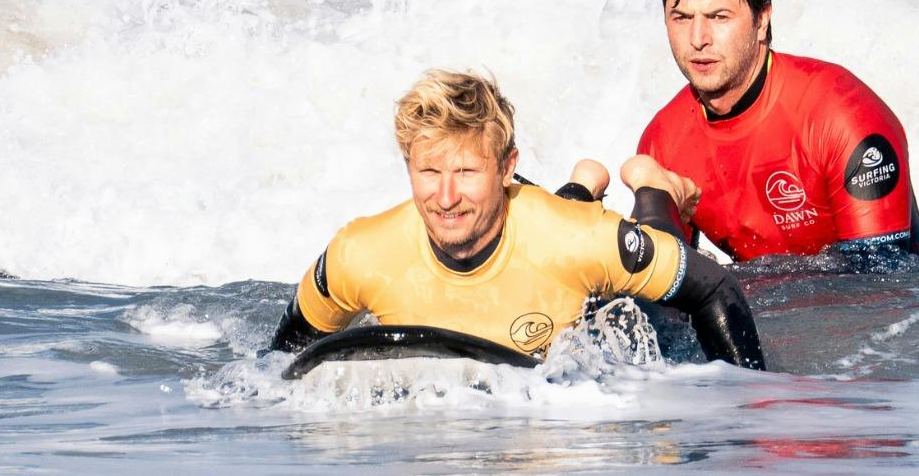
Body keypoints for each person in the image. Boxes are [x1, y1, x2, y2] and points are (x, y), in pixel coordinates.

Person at [269, 69, 765, 369]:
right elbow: (282, 361)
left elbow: (712, 288)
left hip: (590, 294)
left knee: (652, 289)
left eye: (465, 170)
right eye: (429, 171)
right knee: (541, 220)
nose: (444, 197)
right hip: (542, 227)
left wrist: (742, 416)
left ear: (508, 167)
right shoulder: (358, 255)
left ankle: (655, 185)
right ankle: (582, 185)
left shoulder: (577, 241)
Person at [628, 0, 919, 265]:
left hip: (895, 309)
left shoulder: (840, 111)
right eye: (682, 18)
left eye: (719, 17)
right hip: (763, 311)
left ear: (762, 20)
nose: (698, 39)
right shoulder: (663, 142)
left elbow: (883, 286)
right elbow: (665, 286)